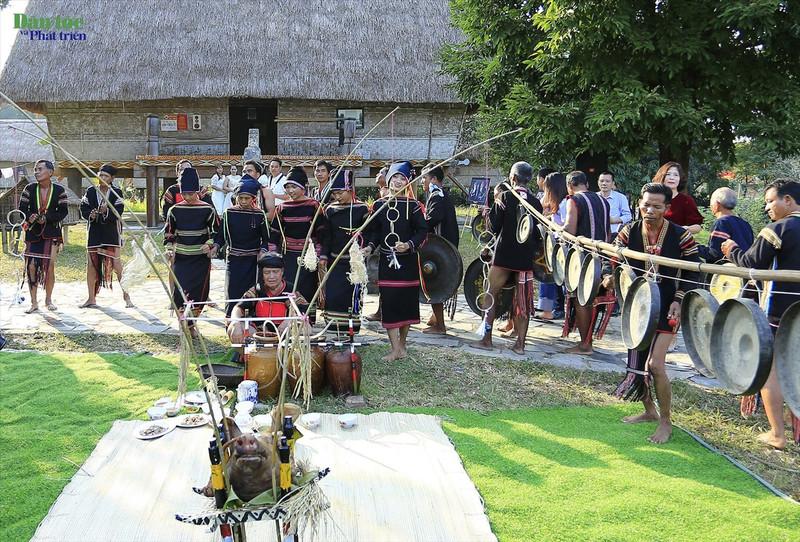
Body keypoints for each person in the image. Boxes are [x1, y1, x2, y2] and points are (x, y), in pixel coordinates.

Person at [603, 183, 700, 443]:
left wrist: (679, 299)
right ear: (639, 203)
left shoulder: (681, 236)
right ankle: (649, 411)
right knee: (638, 364)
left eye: (657, 206)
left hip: (669, 306)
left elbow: (694, 272)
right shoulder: (628, 231)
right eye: (646, 205)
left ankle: (666, 421)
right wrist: (606, 276)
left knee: (655, 365)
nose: (650, 210)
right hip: (638, 306)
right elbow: (611, 257)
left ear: (667, 208)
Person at [721, 179, 800, 450]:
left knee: (772, 372)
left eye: (770, 201)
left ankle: (778, 434)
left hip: (780, 311)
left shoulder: (779, 228)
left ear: (787, 200)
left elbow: (751, 264)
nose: (767, 207)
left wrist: (730, 250)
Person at [470, 161, 543, 355]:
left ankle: (486, 340)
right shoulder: (536, 202)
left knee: (490, 294)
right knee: (523, 301)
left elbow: (493, 227)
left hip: (504, 255)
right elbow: (537, 235)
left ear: (514, 178)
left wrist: (488, 213)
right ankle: (520, 344)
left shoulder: (504, 197)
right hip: (525, 257)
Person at [365, 161, 429, 361]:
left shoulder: (414, 206)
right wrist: (369, 246)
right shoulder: (378, 206)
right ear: (389, 179)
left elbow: (423, 231)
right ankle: (394, 349)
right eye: (395, 178)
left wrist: (409, 244)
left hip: (407, 263)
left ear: (408, 182)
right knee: (390, 303)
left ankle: (402, 346)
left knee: (406, 304)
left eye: (402, 178)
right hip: (387, 262)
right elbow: (375, 232)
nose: (398, 181)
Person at [164, 168, 218, 337]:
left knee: (199, 292)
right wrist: (168, 248)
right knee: (180, 292)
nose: (187, 197)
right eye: (184, 194)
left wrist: (209, 244)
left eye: (190, 194)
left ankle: (192, 324)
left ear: (197, 192)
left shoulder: (207, 209)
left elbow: (216, 232)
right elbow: (169, 233)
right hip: (181, 258)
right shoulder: (174, 210)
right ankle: (183, 324)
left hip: (200, 259)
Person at [563, 170, 611, 354]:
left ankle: (585, 344)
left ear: (570, 186)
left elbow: (570, 229)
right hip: (604, 256)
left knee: (582, 300)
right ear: (587, 184)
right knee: (591, 300)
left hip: (584, 258)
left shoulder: (573, 200)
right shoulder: (603, 201)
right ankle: (587, 341)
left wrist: (557, 233)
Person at [319, 169, 370, 335]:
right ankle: (333, 331)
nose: (337, 197)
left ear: (350, 189)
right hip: (335, 260)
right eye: (334, 193)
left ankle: (351, 331)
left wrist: (368, 246)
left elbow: (370, 233)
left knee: (352, 297)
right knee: (333, 296)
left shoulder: (362, 209)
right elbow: (326, 236)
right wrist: (324, 255)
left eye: (340, 193)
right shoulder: (330, 210)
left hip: (354, 263)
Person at [212, 175, 271, 318]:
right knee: (233, 290)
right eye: (241, 198)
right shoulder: (229, 213)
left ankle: (250, 320)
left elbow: (266, 238)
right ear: (236, 197)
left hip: (252, 261)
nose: (244, 201)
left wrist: (263, 250)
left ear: (253, 199)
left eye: (247, 198)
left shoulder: (259, 215)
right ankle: (232, 320)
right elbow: (221, 235)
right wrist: (215, 246)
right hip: (234, 259)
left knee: (252, 290)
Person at [270, 165, 323, 323]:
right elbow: (275, 232)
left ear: (303, 186)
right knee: (290, 287)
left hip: (309, 257)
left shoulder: (314, 206)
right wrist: (273, 254)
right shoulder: (282, 208)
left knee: (306, 288)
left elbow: (322, 231)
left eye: (294, 187)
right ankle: (290, 319)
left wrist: (319, 254)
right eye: (287, 187)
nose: (290, 191)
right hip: (288, 256)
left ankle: (307, 321)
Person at [17, 159, 68, 313]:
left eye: (40, 169)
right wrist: (31, 216)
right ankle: (34, 303)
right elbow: (22, 209)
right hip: (33, 233)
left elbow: (62, 212)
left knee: (49, 266)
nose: (36, 172)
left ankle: (48, 300)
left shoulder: (59, 190)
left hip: (51, 233)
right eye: (35, 169)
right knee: (31, 266)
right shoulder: (29, 189)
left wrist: (46, 218)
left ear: (50, 172)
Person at [79, 164, 133, 308]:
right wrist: (92, 213)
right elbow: (83, 208)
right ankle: (91, 298)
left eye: (106, 176)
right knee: (91, 265)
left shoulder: (116, 192)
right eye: (100, 175)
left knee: (116, 264)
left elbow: (118, 211)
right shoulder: (90, 191)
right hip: (95, 233)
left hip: (111, 233)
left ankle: (127, 296)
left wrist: (107, 210)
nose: (102, 178)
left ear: (112, 178)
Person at [228, 252, 310, 344]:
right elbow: (239, 307)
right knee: (233, 327)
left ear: (282, 272)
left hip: (284, 336)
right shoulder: (257, 289)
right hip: (260, 335)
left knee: (305, 328)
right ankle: (249, 357)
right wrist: (235, 322)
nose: (271, 277)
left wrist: (288, 321)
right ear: (262, 274)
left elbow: (303, 312)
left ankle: (288, 356)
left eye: (275, 272)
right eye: (267, 272)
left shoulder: (290, 290)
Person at [421, 164, 459, 335]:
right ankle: (437, 318)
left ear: (434, 179)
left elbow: (433, 219)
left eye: (425, 178)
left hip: (440, 250)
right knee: (437, 282)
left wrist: (418, 225)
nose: (423, 181)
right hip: (446, 247)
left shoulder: (436, 196)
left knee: (434, 283)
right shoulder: (444, 196)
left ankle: (440, 326)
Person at [535, 172, 568, 320]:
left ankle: (562, 311)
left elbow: (567, 226)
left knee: (562, 280)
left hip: (563, 247)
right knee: (548, 278)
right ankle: (548, 310)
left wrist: (550, 222)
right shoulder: (555, 202)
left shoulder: (565, 203)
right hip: (552, 245)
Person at [699, 187, 754, 264]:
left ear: (717, 205)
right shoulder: (745, 224)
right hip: (743, 269)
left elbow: (715, 254)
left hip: (726, 272)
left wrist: (694, 247)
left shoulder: (721, 223)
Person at [654, 161, 703, 235]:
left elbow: (697, 227)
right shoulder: (654, 199)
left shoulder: (686, 200)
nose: (672, 178)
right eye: (668, 174)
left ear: (680, 179)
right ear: (662, 177)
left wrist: (683, 229)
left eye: (676, 175)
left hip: (678, 242)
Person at [597, 171, 632, 236]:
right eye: (601, 181)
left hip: (614, 234)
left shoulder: (621, 197)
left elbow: (628, 216)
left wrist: (613, 221)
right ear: (598, 183)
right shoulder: (594, 197)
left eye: (607, 181)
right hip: (596, 234)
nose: (604, 183)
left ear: (613, 183)